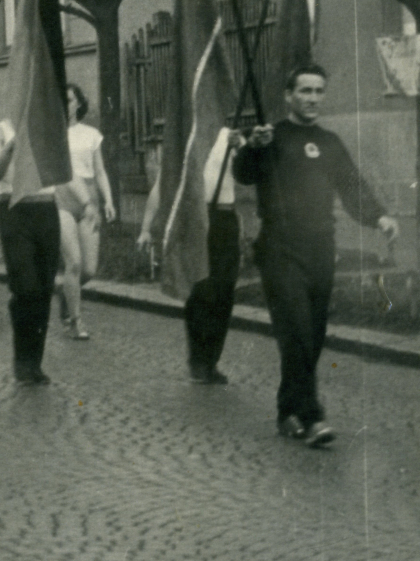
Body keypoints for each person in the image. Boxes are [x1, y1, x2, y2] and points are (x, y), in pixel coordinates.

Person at [233, 65, 397, 447]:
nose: (312, 98)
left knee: (313, 334)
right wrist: (253, 148)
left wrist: (380, 216)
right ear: (288, 95)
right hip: (279, 249)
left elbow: (352, 186)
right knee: (298, 330)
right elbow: (244, 174)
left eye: (318, 91)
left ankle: (287, 410)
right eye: (304, 90)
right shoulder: (270, 136)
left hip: (321, 249)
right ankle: (312, 417)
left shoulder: (330, 142)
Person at [137, 123, 243, 385]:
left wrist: (242, 148)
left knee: (225, 292)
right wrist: (145, 228)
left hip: (226, 218)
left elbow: (248, 174)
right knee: (201, 290)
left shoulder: (232, 136)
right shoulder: (190, 134)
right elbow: (162, 185)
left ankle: (212, 360)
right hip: (197, 218)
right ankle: (198, 361)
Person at [0, 115, 58, 386]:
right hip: (14, 208)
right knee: (25, 286)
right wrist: (11, 147)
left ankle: (34, 363)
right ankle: (22, 359)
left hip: (46, 208)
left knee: (44, 288)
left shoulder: (48, 125)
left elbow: (63, 172)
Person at [55, 83, 114, 341]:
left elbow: (99, 171)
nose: (65, 105)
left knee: (89, 269)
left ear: (78, 103)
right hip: (62, 198)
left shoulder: (91, 133)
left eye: (69, 100)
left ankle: (64, 291)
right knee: (74, 262)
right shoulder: (53, 134)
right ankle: (75, 320)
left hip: (89, 197)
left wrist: (108, 200)